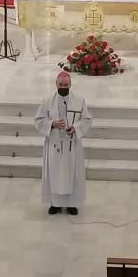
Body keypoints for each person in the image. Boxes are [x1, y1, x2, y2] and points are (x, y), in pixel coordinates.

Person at [34, 71, 92, 216]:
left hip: (72, 144)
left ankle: (72, 204)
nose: (63, 87)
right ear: (56, 84)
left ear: (70, 84)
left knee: (73, 174)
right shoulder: (47, 101)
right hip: (54, 144)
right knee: (54, 174)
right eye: (61, 84)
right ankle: (55, 203)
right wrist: (52, 124)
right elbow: (38, 120)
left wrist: (76, 128)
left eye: (66, 85)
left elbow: (86, 120)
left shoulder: (79, 100)